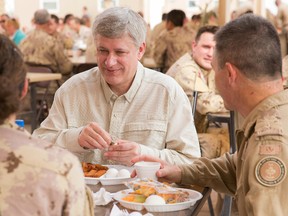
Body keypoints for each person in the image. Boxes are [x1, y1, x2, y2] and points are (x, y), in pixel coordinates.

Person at [132, 14, 288, 215]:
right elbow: (236, 167)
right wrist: (179, 171)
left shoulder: (271, 141)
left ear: (230, 74)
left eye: (215, 71)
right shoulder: (270, 117)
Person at [33, 7, 201, 166]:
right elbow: (38, 147)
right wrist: (74, 138)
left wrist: (144, 155)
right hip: (84, 194)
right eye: (103, 51)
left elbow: (190, 161)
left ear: (140, 50)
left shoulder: (167, 92)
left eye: (120, 52)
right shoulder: (71, 91)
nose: (110, 62)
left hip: (148, 194)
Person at [0, 34, 94, 215]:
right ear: (24, 88)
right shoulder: (60, 168)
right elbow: (66, 66)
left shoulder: (26, 40)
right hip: (49, 88)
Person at [166, 25, 227, 133]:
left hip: (189, 132)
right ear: (194, 46)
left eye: (215, 48)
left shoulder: (209, 67)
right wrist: (237, 100)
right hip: (171, 139)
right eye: (206, 47)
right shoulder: (186, 70)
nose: (210, 54)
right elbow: (206, 104)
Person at [19, 9, 73, 76]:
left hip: (30, 81)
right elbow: (66, 68)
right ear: (49, 22)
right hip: (52, 82)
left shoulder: (23, 41)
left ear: (34, 21)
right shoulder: (52, 42)